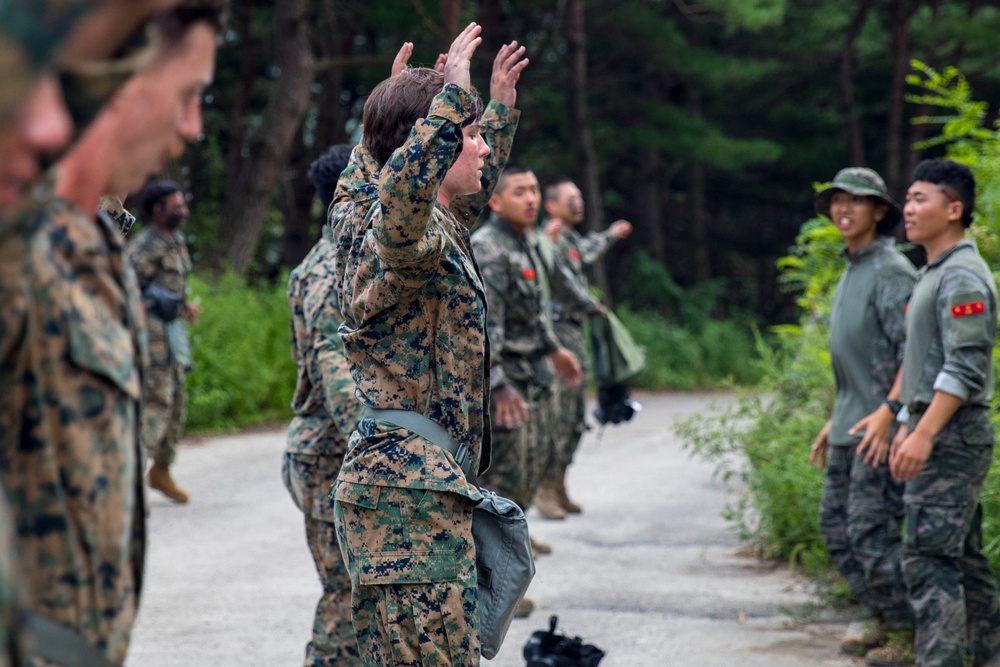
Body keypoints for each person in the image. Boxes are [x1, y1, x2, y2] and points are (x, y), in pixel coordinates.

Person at [0, 2, 223, 663]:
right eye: (187, 95)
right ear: (120, 84)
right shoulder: (29, 246)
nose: (192, 128)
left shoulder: (93, 241)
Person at [330, 23, 527, 666]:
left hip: (420, 491)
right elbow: (404, 198)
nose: (479, 148)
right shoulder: (399, 241)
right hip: (405, 503)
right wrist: (441, 105)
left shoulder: (425, 222)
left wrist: (490, 110)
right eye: (465, 136)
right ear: (429, 146)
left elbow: (435, 180)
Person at [889, 159, 1000, 667]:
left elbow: (965, 367)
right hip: (940, 429)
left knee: (930, 560)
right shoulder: (937, 271)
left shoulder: (961, 276)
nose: (908, 209)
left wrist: (925, 434)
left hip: (953, 435)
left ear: (953, 210)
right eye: (908, 199)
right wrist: (906, 423)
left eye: (920, 199)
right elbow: (928, 364)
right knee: (965, 560)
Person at [807, 168, 916, 662]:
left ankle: (909, 631)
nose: (843, 208)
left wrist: (892, 414)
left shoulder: (891, 270)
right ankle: (881, 615)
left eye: (857, 201)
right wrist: (837, 417)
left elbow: (912, 353)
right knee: (837, 529)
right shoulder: (854, 266)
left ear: (880, 211)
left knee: (871, 534)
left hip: (880, 427)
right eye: (837, 200)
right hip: (853, 422)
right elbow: (859, 359)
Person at [471, 165, 586, 531]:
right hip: (506, 384)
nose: (531, 199)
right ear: (495, 201)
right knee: (502, 479)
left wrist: (554, 350)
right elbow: (484, 327)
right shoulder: (489, 248)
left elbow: (534, 311)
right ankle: (496, 581)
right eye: (519, 191)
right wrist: (498, 384)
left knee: (532, 464)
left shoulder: (525, 242)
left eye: (534, 190)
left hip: (531, 376)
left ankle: (515, 548)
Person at [283, 143, 362, 667]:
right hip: (330, 455)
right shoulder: (327, 270)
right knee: (345, 590)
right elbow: (333, 367)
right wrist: (374, 440)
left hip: (339, 453)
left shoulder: (349, 255)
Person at [538, 177, 632, 516]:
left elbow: (589, 249)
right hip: (558, 333)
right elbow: (562, 282)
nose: (579, 202)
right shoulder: (549, 239)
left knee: (575, 413)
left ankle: (559, 483)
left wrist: (611, 234)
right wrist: (589, 304)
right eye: (571, 197)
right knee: (560, 414)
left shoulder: (570, 238)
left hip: (574, 332)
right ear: (552, 206)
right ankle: (544, 489)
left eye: (580, 196)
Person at [127, 178, 201, 504]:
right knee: (156, 406)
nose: (183, 210)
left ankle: (161, 470)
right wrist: (147, 306)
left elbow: (171, 286)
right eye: (176, 206)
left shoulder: (176, 241)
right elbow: (125, 284)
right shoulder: (145, 245)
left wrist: (183, 307)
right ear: (157, 210)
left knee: (176, 408)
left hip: (173, 337)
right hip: (151, 339)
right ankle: (127, 479)